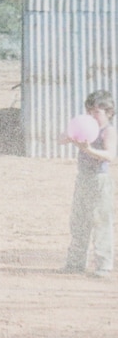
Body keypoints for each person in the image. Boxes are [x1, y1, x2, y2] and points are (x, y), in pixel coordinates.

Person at [59, 90, 116, 277]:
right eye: (90, 111)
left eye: (97, 112)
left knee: (100, 221)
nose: (92, 116)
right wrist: (68, 136)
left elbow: (110, 156)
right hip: (83, 178)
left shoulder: (108, 131)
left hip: (99, 180)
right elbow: (60, 139)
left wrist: (89, 150)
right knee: (78, 221)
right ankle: (75, 262)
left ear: (109, 112)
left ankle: (103, 265)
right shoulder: (86, 128)